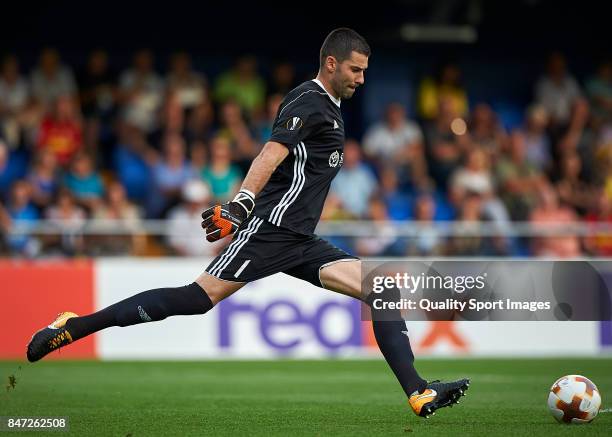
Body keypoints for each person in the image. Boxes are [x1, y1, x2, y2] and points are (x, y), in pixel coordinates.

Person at [27, 28, 468, 419]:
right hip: (270, 231)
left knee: (381, 289)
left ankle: (419, 392)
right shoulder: (308, 100)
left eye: (365, 71)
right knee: (197, 298)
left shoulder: (330, 107)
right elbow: (270, 153)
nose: (361, 79)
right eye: (355, 69)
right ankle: (74, 325)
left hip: (299, 238)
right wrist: (239, 206)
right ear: (331, 63)